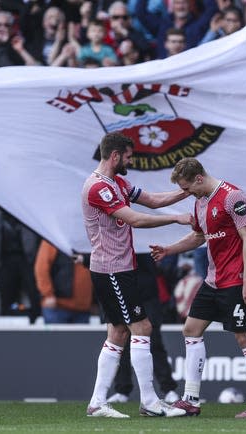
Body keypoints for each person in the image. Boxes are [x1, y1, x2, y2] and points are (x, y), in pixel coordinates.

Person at [150, 157, 246, 418]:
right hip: (213, 280)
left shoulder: (232, 197)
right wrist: (169, 250)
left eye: (187, 187)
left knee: (245, 338)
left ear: (199, 178)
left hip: (237, 280)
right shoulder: (200, 202)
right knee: (190, 330)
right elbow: (198, 237)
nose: (185, 192)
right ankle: (190, 399)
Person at [82, 132, 190, 418]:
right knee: (142, 327)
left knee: (118, 332)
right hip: (112, 269)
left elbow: (151, 200)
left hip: (118, 268)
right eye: (128, 156)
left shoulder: (117, 183)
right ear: (115, 156)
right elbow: (136, 219)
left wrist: (187, 190)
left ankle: (97, 403)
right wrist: (177, 218)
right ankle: (150, 402)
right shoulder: (98, 188)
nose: (131, 160)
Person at [107, 253, 180, 405]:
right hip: (122, 292)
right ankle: (122, 390)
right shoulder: (117, 235)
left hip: (147, 293)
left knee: (154, 342)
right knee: (121, 341)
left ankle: (168, 389)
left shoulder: (145, 233)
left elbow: (163, 263)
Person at [34, 239, 93, 324]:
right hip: (58, 307)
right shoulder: (53, 238)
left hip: (83, 308)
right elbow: (41, 268)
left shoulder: (88, 238)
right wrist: (48, 294)